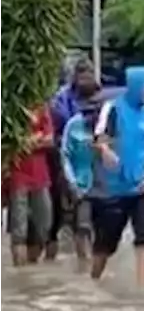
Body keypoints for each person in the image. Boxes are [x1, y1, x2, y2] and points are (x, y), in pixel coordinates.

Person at [91, 65, 144, 286]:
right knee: (106, 245)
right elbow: (99, 137)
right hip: (114, 188)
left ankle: (143, 288)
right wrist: (106, 150)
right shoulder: (113, 108)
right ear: (135, 87)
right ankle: (93, 281)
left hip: (140, 188)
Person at [47, 59, 99, 260]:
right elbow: (62, 141)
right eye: (82, 75)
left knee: (95, 221)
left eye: (89, 75)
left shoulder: (101, 95)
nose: (87, 79)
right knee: (63, 215)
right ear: (75, 78)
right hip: (65, 158)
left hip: (95, 167)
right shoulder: (62, 100)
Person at [7, 105, 56, 266]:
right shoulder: (9, 107)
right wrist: (34, 139)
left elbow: (50, 139)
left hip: (40, 175)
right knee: (19, 228)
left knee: (44, 223)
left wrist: (26, 142)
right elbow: (8, 141)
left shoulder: (40, 107)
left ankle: (31, 265)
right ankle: (20, 273)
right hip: (17, 173)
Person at [60, 93, 103, 270]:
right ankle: (83, 265)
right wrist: (72, 182)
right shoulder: (73, 125)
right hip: (81, 183)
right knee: (83, 227)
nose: (92, 117)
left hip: (104, 184)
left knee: (102, 228)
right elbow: (65, 155)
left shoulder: (110, 126)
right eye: (88, 113)